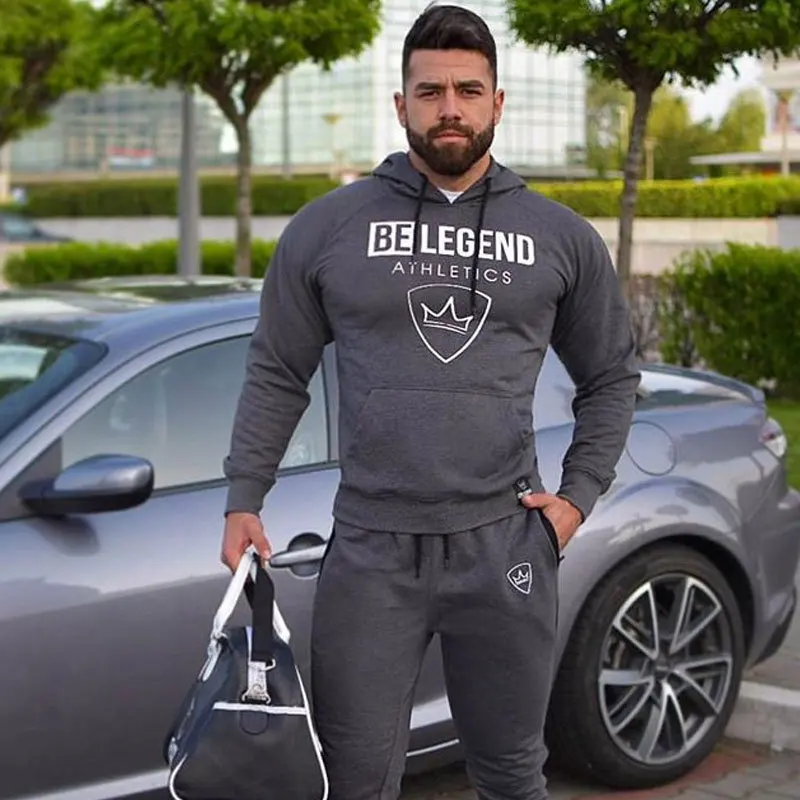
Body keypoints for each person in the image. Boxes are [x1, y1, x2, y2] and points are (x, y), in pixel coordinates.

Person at [220, 4, 640, 799]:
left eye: (468, 91)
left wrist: (575, 500)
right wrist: (246, 495)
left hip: (504, 545)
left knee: (512, 776)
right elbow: (278, 368)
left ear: (497, 102)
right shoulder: (330, 227)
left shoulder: (558, 236)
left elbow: (612, 376)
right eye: (431, 91)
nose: (450, 108)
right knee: (354, 779)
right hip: (371, 549)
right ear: (401, 104)